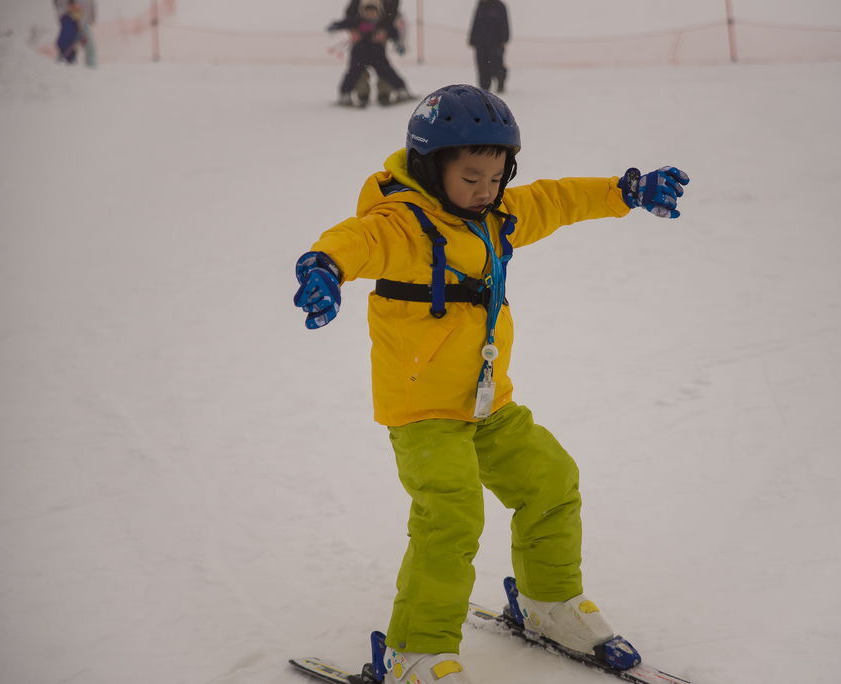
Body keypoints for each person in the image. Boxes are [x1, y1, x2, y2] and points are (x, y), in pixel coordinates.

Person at [292, 84, 689, 683]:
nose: (486, 190)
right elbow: (357, 239)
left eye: (496, 177)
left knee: (551, 478)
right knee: (451, 515)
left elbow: (555, 200)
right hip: (424, 414)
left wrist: (625, 192)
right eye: (471, 177)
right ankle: (414, 651)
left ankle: (547, 602)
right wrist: (324, 265)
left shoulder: (497, 216)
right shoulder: (399, 225)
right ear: (431, 168)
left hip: (488, 405)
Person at [328, 0, 411, 107]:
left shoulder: (382, 23)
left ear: (379, 12)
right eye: (368, 12)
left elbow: (392, 31)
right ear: (363, 12)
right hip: (359, 55)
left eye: (373, 12)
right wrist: (335, 26)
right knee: (352, 74)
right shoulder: (357, 21)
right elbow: (346, 21)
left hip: (377, 55)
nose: (371, 14)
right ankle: (346, 94)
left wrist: (397, 42)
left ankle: (401, 90)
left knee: (388, 72)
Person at [468, 0, 509, 93]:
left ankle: (500, 80)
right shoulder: (480, 5)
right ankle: (484, 88)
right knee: (482, 66)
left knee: (496, 64)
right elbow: (475, 22)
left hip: (495, 42)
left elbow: (505, 23)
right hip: (481, 42)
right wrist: (472, 37)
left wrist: (504, 38)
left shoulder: (500, 6)